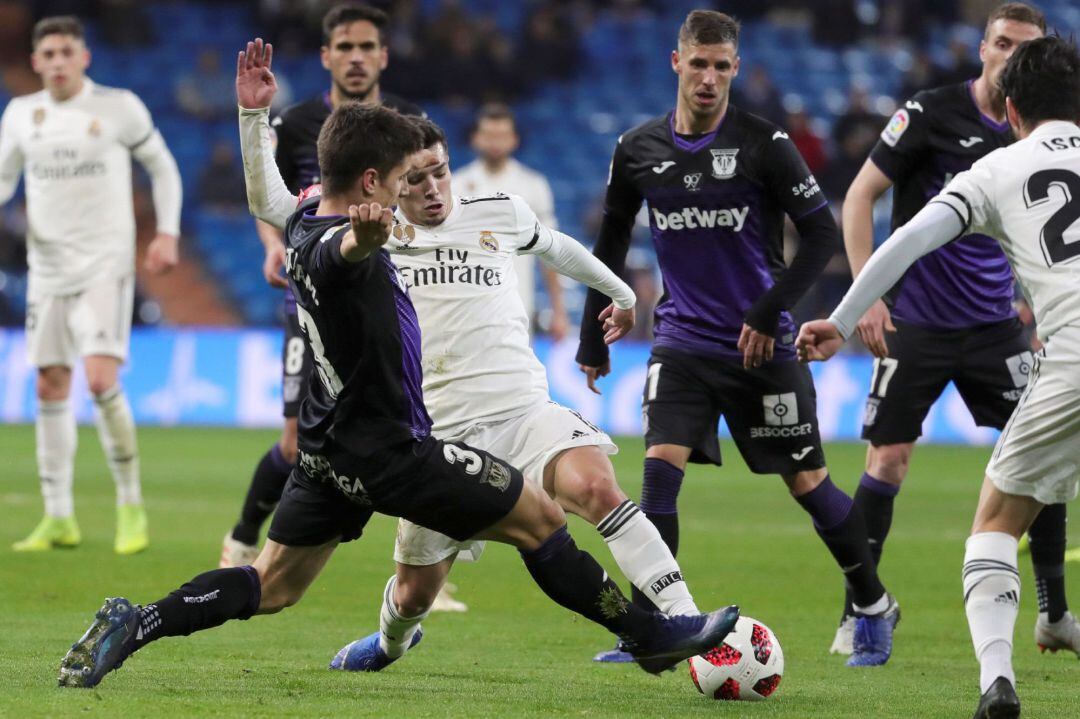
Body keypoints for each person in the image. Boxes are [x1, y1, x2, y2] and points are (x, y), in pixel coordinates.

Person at [57, 78, 739, 691]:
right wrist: (366, 239)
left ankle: (139, 621)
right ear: (376, 181)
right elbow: (346, 253)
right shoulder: (343, 245)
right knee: (541, 519)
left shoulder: (302, 219)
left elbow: (270, 197)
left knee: (271, 584)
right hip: (395, 451)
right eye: (401, 180)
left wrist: (250, 115)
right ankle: (650, 635)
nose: (417, 190)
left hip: (327, 456)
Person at [238, 46, 709, 669]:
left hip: (521, 410)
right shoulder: (367, 228)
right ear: (385, 180)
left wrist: (621, 295)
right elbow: (272, 204)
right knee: (413, 592)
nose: (433, 188)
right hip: (436, 436)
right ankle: (389, 643)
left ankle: (685, 624)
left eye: (440, 172)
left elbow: (562, 250)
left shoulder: (499, 212)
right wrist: (251, 119)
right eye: (416, 178)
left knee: (596, 486)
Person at [576, 10, 896, 667]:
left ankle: (871, 602)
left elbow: (822, 237)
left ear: (735, 69)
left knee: (808, 482)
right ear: (676, 62)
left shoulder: (763, 144)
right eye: (699, 63)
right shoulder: (637, 148)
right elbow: (608, 243)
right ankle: (657, 628)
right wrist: (593, 336)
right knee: (658, 476)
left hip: (763, 347)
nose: (709, 77)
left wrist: (767, 309)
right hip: (682, 342)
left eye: (722, 66)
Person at [797, 34, 1080, 719]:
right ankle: (1051, 617)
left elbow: (909, 239)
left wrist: (842, 316)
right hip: (951, 333)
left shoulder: (996, 169)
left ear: (1011, 110)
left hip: (1067, 358)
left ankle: (997, 682)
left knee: (993, 519)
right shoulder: (929, 115)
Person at [221, 2, 423, 571]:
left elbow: (430, 202)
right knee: (295, 443)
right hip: (315, 289)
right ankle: (244, 540)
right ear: (326, 55)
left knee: (408, 427)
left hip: (381, 296)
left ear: (383, 55)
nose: (356, 58)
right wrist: (273, 247)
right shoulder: (298, 122)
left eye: (366, 47)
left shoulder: (407, 122)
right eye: (345, 47)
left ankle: (424, 565)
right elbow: (275, 202)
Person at [0, 16, 181, 555]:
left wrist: (167, 233)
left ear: (84, 58)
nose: (56, 62)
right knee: (49, 385)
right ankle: (58, 517)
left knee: (100, 382)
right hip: (47, 269)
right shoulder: (20, 115)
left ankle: (130, 505)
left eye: (65, 52)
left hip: (105, 263)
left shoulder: (118, 106)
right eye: (47, 54)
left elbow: (164, 167)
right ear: (35, 62)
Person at [452, 103, 569, 341]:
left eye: (502, 135)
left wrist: (559, 309)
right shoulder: (456, 186)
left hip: (516, 307)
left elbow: (549, 251)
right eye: (488, 135)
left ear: (514, 139)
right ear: (475, 138)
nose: (495, 142)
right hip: (464, 309)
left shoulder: (532, 185)